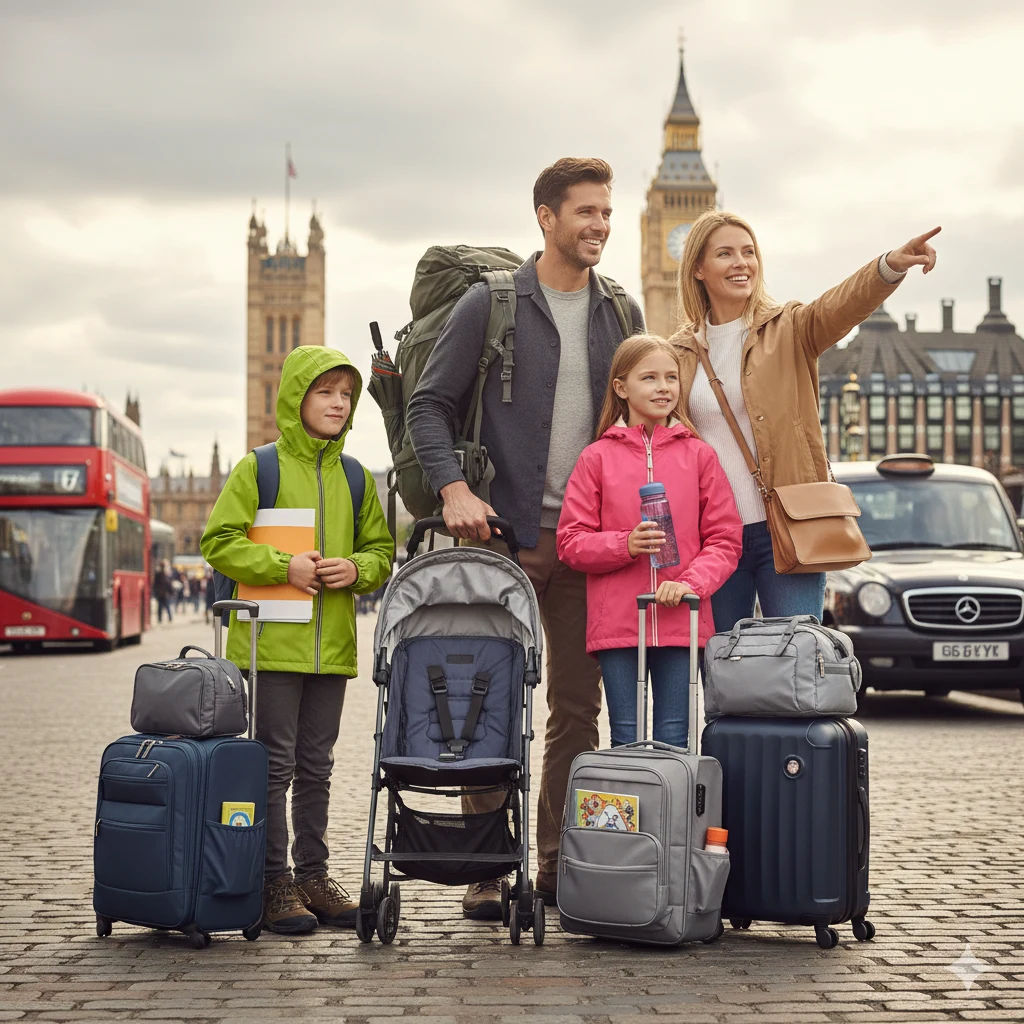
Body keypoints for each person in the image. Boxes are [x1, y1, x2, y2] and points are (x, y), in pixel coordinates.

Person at [407, 157, 644, 917]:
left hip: (587, 546)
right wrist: (453, 490)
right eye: (586, 213)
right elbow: (428, 407)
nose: (600, 226)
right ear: (546, 217)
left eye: (606, 213)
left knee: (578, 710)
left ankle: (551, 865)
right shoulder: (492, 302)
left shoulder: (622, 312)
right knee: (484, 701)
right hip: (498, 538)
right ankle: (487, 869)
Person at [669, 211, 940, 630]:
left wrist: (889, 265)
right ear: (699, 269)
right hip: (713, 538)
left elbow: (842, 305)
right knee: (723, 670)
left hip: (792, 525)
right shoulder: (678, 353)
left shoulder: (790, 327)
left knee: (796, 664)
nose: (742, 262)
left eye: (748, 252)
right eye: (725, 254)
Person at [201, 346, 393, 935]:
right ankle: (272, 879)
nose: (337, 403)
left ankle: (314, 874)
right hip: (268, 648)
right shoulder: (257, 468)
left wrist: (356, 570)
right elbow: (219, 541)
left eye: (345, 395)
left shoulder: (358, 476)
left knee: (318, 766)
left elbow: (382, 554)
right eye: (325, 392)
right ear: (296, 398)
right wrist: (285, 565)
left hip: (330, 649)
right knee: (272, 767)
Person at [557, 335, 742, 748]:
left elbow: (725, 539)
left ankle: (672, 816)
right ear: (621, 388)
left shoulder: (699, 455)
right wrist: (625, 545)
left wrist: (691, 584)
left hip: (682, 619)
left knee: (675, 735)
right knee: (625, 736)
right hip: (619, 624)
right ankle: (632, 816)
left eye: (671, 377)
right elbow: (570, 542)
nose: (664, 387)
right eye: (650, 378)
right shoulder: (596, 458)